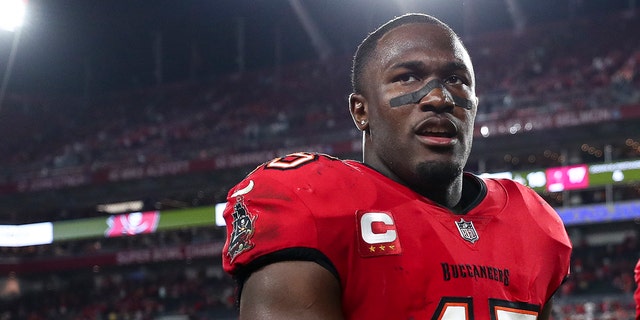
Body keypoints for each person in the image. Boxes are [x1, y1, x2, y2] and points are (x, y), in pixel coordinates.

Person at [222, 13, 572, 319]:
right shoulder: (309, 200)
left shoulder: (532, 221)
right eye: (407, 77)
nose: (439, 98)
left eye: (457, 80)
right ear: (362, 111)